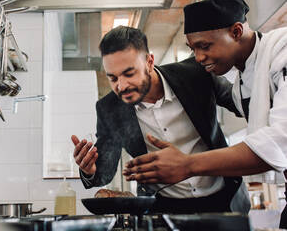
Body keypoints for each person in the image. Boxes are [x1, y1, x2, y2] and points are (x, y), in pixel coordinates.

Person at [123, 0, 287, 226]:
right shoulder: (243, 81)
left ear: (236, 32)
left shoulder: (282, 50)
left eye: (205, 46)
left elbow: (281, 140)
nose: (198, 58)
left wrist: (187, 165)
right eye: (192, 49)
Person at [71, 25, 250, 214]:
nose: (121, 86)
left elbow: (242, 104)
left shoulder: (196, 74)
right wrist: (90, 169)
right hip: (166, 209)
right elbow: (104, 172)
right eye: (113, 78)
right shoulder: (109, 109)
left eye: (129, 73)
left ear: (149, 62)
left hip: (224, 201)